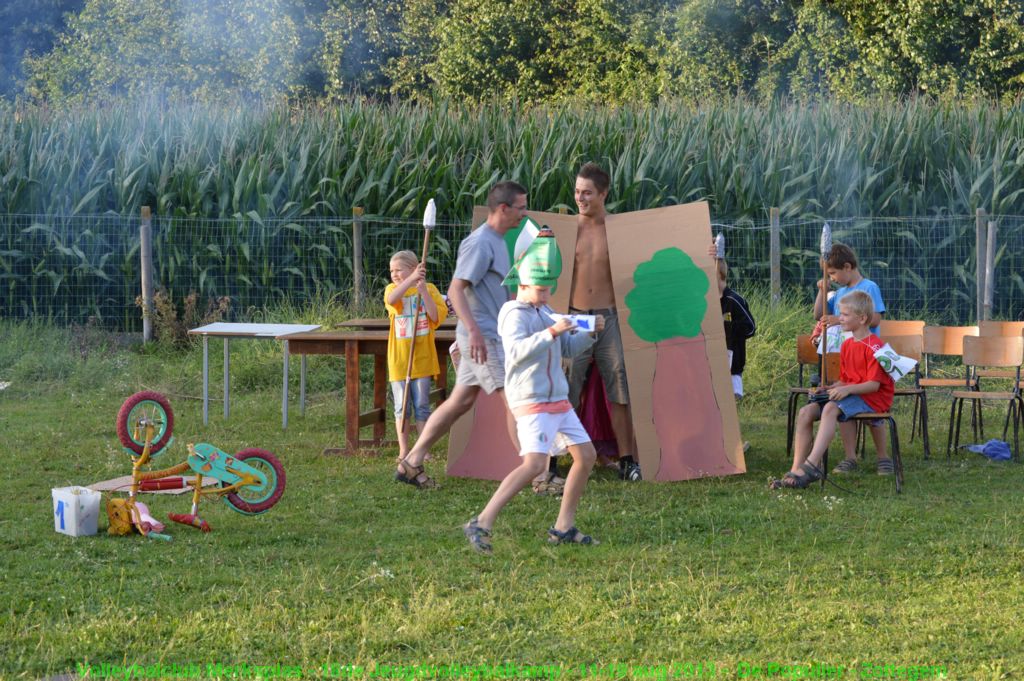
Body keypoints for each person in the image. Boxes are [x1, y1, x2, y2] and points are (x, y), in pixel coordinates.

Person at [463, 229, 604, 553]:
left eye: (547, 289)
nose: (545, 295)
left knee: (586, 455)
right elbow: (516, 352)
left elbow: (566, 345)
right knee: (534, 465)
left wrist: (589, 332)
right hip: (532, 400)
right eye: (540, 289)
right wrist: (553, 331)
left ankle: (563, 527)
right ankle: (481, 522)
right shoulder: (512, 313)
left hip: (557, 399)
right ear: (522, 285)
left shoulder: (544, 311)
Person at [394, 181, 527, 489]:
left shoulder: (499, 241)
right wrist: (476, 333)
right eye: (520, 208)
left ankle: (411, 463)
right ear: (504, 208)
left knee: (460, 401)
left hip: (489, 333)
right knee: (515, 398)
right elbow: (457, 289)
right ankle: (536, 472)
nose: (524, 213)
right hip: (482, 337)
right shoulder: (480, 243)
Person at [769, 291, 895, 488]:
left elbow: (874, 385)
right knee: (805, 412)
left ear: (862, 319)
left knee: (830, 408)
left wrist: (846, 390)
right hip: (853, 393)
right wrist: (828, 388)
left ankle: (812, 465)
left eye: (845, 315)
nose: (840, 318)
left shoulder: (875, 346)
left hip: (872, 398)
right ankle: (796, 470)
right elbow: (845, 381)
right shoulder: (847, 345)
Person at [565, 162, 640, 481]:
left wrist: (705, 254)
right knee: (567, 388)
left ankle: (627, 459)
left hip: (609, 318)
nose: (580, 198)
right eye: (577, 192)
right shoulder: (566, 230)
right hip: (576, 318)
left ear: (603, 193)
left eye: (587, 193)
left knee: (620, 388)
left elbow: (658, 254)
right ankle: (555, 460)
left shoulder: (620, 230)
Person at [812, 243, 890, 473]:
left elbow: (875, 319)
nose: (832, 278)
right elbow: (818, 315)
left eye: (833, 273)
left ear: (847, 266)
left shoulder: (869, 287)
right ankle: (850, 457)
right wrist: (822, 290)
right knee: (843, 406)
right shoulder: (838, 292)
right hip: (844, 355)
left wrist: (838, 319)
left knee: (872, 411)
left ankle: (883, 457)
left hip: (867, 357)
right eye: (829, 275)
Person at [384, 250, 447, 462]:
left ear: (413, 268)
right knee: (402, 405)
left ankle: (422, 449)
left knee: (421, 405)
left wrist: (424, 292)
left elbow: (435, 316)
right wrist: (409, 280)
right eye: (391, 270)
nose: (394, 274)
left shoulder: (429, 289)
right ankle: (404, 450)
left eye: (398, 270)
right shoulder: (392, 289)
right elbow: (393, 300)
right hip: (400, 359)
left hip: (422, 358)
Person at [716, 258, 756, 399]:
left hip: (733, 365)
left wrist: (727, 326)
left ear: (719, 275)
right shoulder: (706, 303)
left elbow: (751, 328)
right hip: (712, 364)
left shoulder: (734, 301)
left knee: (731, 403)